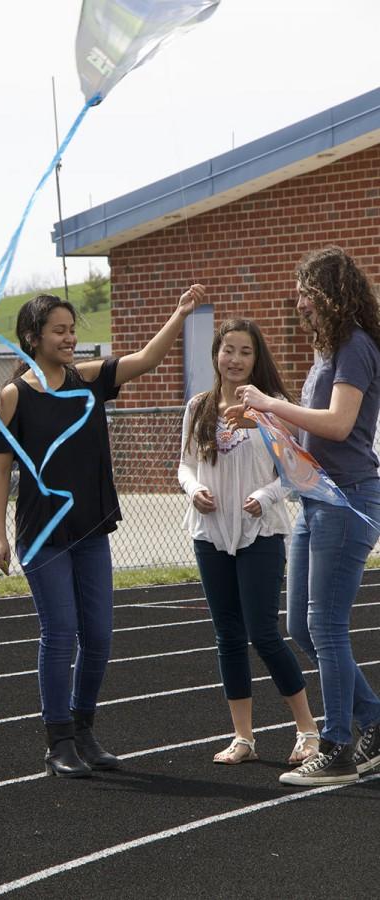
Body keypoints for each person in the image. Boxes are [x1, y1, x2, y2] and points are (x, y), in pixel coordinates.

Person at [0, 286, 205, 777]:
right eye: (59, 331)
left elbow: (146, 359)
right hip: (43, 535)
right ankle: (57, 740)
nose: (69, 338)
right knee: (60, 634)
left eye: (72, 330)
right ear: (32, 337)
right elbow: (1, 472)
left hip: (91, 529)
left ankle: (84, 730)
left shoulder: (87, 380)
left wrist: (180, 311)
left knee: (100, 637)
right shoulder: (14, 396)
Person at [226, 246, 380, 786]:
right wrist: (265, 425)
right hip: (319, 497)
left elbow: (338, 424)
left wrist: (271, 403)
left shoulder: (356, 347)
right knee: (301, 626)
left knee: (326, 626)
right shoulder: (329, 350)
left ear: (331, 294)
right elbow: (312, 432)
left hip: (349, 498)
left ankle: (338, 745)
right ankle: (374, 721)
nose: (299, 302)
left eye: (307, 292)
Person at [178, 318, 319, 765]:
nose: (234, 359)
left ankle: (307, 729)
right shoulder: (198, 407)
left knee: (263, 632)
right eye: (228, 350)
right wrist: (192, 489)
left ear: (257, 359)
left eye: (245, 352)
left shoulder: (272, 408)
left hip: (261, 533)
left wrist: (265, 495)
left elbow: (295, 474)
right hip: (211, 534)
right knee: (228, 637)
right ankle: (243, 737)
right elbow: (183, 465)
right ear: (216, 354)